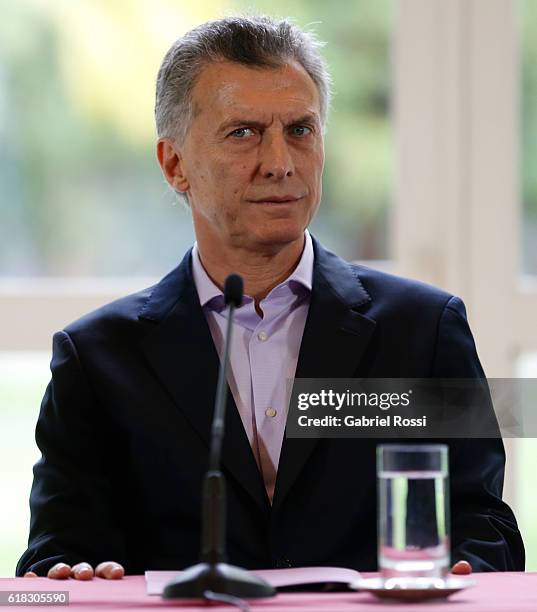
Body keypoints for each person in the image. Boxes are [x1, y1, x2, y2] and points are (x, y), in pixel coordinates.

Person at [18, 15, 524, 581]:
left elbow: (485, 528)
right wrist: (70, 576)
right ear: (174, 163)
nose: (281, 162)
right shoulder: (96, 358)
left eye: (301, 130)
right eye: (244, 133)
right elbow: (54, 555)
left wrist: (466, 571)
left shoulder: (423, 329)